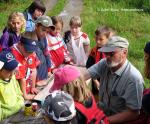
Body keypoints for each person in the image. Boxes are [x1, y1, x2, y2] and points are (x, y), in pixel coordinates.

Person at [83, 36, 144, 123]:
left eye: (111, 54)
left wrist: (105, 121)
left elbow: (133, 113)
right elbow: (84, 76)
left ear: (124, 52)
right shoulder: (104, 63)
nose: (107, 57)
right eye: (106, 53)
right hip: (101, 112)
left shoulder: (134, 78)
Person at [86, 26, 115, 101]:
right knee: (97, 98)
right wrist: (95, 82)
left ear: (108, 39)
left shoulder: (113, 52)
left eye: (101, 39)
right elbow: (89, 67)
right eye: (96, 39)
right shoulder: (94, 51)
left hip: (108, 81)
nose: (98, 41)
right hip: (96, 81)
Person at [11, 33, 39, 100]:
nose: (30, 54)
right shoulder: (13, 55)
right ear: (20, 44)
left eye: (32, 51)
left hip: (27, 87)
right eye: (28, 51)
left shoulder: (30, 53)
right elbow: (22, 78)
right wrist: (25, 96)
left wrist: (33, 87)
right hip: (18, 93)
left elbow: (34, 70)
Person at [0, 51, 24, 121]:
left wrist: (19, 104)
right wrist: (17, 107)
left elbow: (19, 94)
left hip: (19, 114)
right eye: (8, 70)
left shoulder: (12, 77)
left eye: (13, 70)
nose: (12, 74)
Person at [33, 15, 54, 86]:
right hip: (36, 81)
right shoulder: (29, 41)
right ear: (36, 26)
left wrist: (49, 69)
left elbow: (46, 53)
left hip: (45, 75)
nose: (45, 34)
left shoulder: (43, 37)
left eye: (47, 32)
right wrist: (35, 82)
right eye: (43, 30)